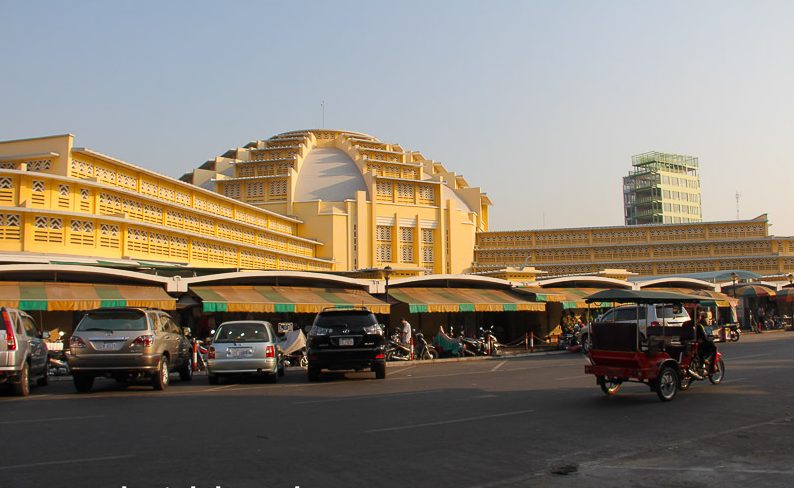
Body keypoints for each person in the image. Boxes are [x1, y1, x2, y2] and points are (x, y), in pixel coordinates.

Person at [692, 311, 717, 377]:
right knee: (713, 346)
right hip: (697, 345)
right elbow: (704, 337)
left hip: (690, 342)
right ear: (699, 317)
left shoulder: (686, 324)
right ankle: (711, 368)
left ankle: (703, 361)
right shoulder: (698, 326)